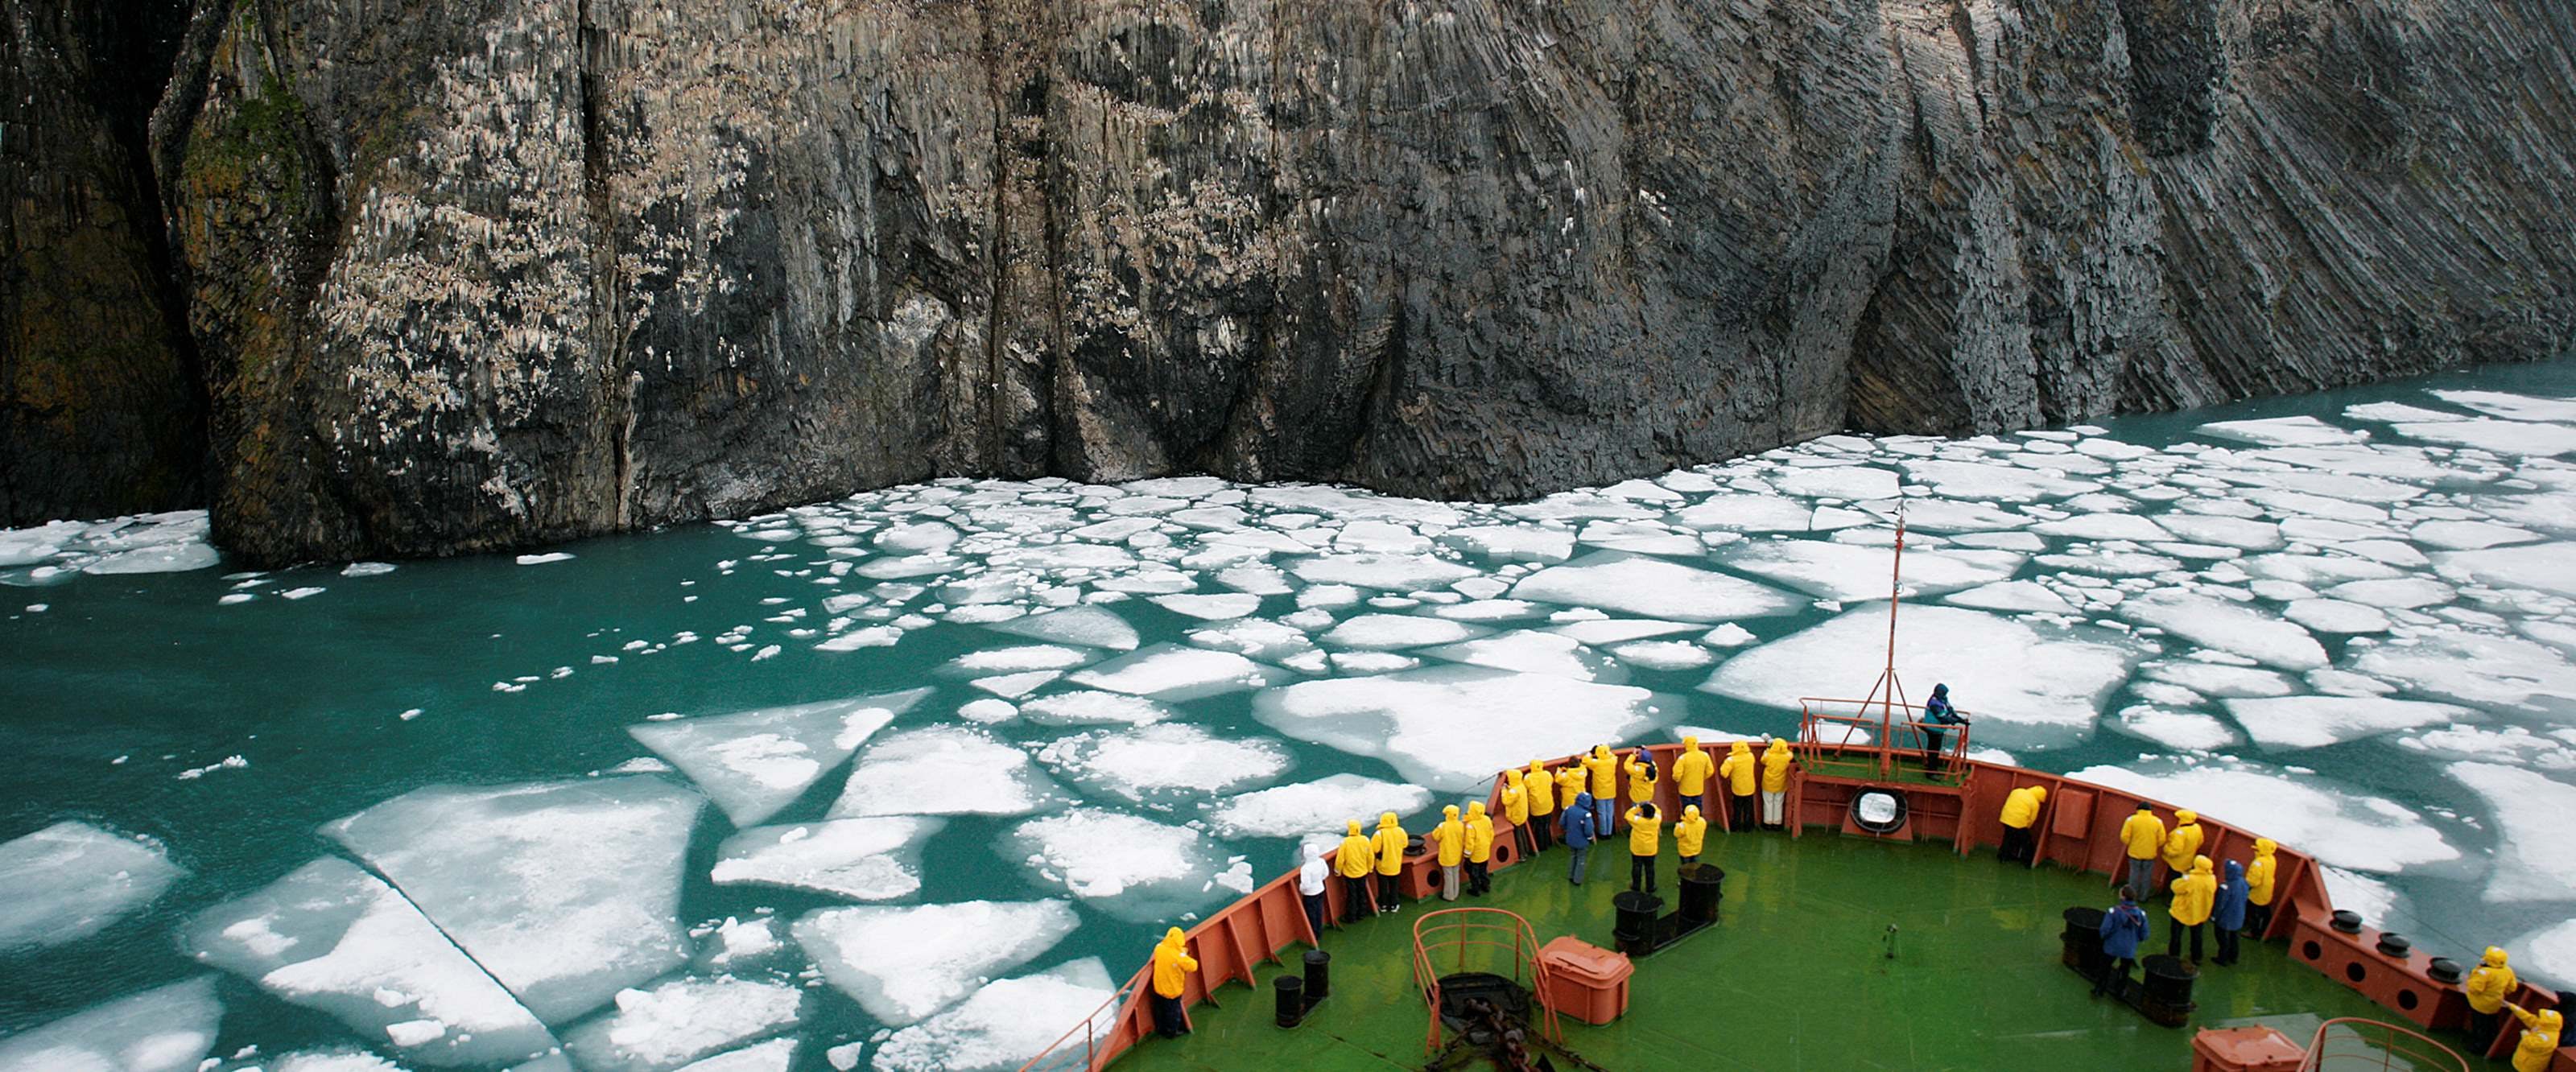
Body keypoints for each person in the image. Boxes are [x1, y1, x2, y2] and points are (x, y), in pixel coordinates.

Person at [2094, 892, 2150, 997]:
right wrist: (2136, 940)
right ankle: (2120, 990)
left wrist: (2104, 938)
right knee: (2125, 970)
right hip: (2129, 948)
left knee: (2105, 968)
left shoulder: (2113, 912)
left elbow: (2105, 929)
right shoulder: (2141, 914)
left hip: (2112, 946)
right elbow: (2145, 933)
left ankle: (2100, 988)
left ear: (2123, 897)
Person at [2466, 946, 2519, 1049]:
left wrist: (2476, 971)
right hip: (2495, 1004)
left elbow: (2475, 989)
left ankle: (2478, 1046)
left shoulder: (2484, 973)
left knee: (2479, 1025)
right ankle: (2491, 1044)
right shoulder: (2508, 970)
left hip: (2479, 1004)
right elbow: (2512, 988)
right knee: (2490, 1024)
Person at [1150, 926, 1198, 1037]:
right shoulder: (1179, 957)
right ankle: (1172, 1032)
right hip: (1172, 990)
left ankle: (1161, 1029)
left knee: (1160, 1010)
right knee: (1173, 1012)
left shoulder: (1159, 948)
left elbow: (1167, 950)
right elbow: (1193, 966)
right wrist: (1183, 952)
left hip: (1159, 987)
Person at [2167, 855, 2216, 963]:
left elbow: (2176, 888)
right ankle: (2197, 957)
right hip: (2200, 912)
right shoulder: (2212, 879)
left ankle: (2174, 954)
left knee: (2176, 934)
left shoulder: (2190, 879)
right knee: (2197, 935)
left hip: (2183, 910)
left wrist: (2183, 877)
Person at [2116, 805, 2165, 901]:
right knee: (2147, 875)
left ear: (2138, 810)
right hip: (2150, 854)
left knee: (2134, 874)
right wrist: (2153, 846)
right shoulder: (2158, 821)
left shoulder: (2131, 820)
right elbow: (2162, 839)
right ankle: (2143, 897)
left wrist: (2131, 844)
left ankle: (2131, 897)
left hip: (2135, 852)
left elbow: (2124, 837)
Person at [2504, 1003, 2565, 1072]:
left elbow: (2530, 1045)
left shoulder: (2548, 1038)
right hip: (2525, 1061)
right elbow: (2527, 1017)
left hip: (2530, 1066)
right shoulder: (2544, 1027)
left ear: (2546, 1023)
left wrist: (2526, 1033)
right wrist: (2512, 1007)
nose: (2539, 1018)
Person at [1335, 819, 1377, 922]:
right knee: (1362, 893)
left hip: (1350, 874)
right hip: (1363, 872)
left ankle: (1351, 917)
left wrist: (1338, 871)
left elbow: (1340, 859)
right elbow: (1370, 856)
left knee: (1352, 895)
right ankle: (1362, 913)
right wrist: (1370, 868)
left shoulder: (1345, 842)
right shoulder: (1365, 840)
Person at [1919, 683, 1966, 769]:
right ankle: (1931, 771)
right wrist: (1954, 721)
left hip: (1938, 729)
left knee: (1935, 750)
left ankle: (1932, 767)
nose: (1945, 695)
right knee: (1933, 750)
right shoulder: (1934, 703)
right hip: (1933, 729)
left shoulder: (1943, 699)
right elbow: (1942, 717)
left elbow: (1949, 710)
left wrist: (1959, 719)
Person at [2159, 809, 2206, 895]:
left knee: (2172, 880)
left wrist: (2166, 849)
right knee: (2180, 880)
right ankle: (2171, 897)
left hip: (2176, 862)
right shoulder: (2197, 828)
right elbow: (2200, 841)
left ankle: (2168, 898)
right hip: (2188, 860)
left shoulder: (2180, 833)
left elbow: (2175, 850)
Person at [2212, 859, 2248, 967]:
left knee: (2222, 937)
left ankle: (2222, 958)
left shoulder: (2226, 886)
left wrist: (2214, 916)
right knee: (2234, 937)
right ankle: (2233, 957)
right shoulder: (2243, 882)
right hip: (2239, 916)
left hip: (2226, 918)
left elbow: (2220, 904)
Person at [1997, 785, 2047, 864]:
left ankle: (2002, 856)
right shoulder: (2035, 803)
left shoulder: (2017, 791)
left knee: (2008, 837)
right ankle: (2027, 860)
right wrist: (2027, 827)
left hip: (2005, 818)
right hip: (2019, 823)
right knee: (2027, 842)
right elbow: (2032, 819)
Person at [1370, 811, 1408, 913]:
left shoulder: (1380, 834)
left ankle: (1383, 905)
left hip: (1383, 866)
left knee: (1383, 886)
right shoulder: (1400, 831)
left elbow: (1374, 849)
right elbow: (1405, 844)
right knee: (1394, 885)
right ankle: (1394, 904)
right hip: (1395, 864)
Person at [1623, 802, 1663, 893]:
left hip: (1637, 849)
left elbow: (1628, 814)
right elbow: (1658, 810)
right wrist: (1652, 805)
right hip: (1650, 850)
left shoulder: (1638, 821)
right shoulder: (1656, 820)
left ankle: (1636, 886)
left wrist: (1638, 807)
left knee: (1636, 868)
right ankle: (1650, 887)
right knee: (1650, 868)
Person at [1719, 740, 1757, 831]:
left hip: (1738, 788)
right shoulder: (1751, 756)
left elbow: (1724, 773)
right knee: (1748, 808)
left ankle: (1736, 826)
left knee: (1737, 808)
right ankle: (1748, 827)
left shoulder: (1731, 760)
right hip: (1750, 787)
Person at [2244, 838, 2278, 938]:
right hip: (2267, 889)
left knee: (2255, 912)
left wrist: (2246, 884)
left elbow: (2253, 881)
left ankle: (2254, 932)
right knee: (2263, 910)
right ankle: (2264, 928)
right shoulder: (2272, 859)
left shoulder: (2258, 863)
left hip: (2257, 892)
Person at [1672, 736, 1715, 817]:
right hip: (1699, 788)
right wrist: (1702, 778)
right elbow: (1710, 771)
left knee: (1686, 808)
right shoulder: (1705, 755)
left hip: (1685, 789)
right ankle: (1699, 823)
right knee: (1698, 807)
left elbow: (1677, 775)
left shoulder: (1683, 758)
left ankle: (1687, 824)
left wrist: (1678, 780)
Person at [1429, 805, 1464, 901]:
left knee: (1448, 875)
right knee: (1455, 873)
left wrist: (1438, 828)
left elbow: (1436, 836)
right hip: (1457, 853)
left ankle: (1449, 896)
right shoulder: (1460, 824)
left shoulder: (1443, 826)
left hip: (1447, 855)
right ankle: (1456, 893)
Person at [1563, 791, 1598, 884]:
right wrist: (1589, 837)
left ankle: (1571, 876)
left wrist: (1569, 829)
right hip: (1582, 841)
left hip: (1570, 839)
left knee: (1573, 856)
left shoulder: (1568, 809)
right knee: (1581, 859)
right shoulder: (1586, 814)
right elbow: (1589, 829)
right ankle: (1577, 880)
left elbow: (1562, 822)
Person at [1297, 844, 1331, 940]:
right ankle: (1319, 932)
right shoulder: (1321, 861)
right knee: (1319, 911)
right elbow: (1326, 874)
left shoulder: (1306, 868)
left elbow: (1306, 885)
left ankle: (1314, 934)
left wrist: (1301, 889)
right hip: (1320, 889)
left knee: (1311, 915)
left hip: (1310, 894)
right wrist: (1318, 881)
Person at [1759, 736, 1793, 830]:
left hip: (1768, 783)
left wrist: (1769, 749)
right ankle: (1777, 823)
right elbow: (1790, 754)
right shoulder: (1787, 757)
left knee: (1768, 802)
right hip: (1781, 783)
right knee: (1778, 803)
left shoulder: (1768, 756)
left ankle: (1768, 823)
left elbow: (1763, 760)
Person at [1523, 760, 1557, 852]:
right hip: (1548, 805)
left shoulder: (1528, 777)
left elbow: (1525, 787)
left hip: (1537, 807)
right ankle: (1549, 842)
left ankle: (1542, 846)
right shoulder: (1547, 774)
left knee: (1539, 827)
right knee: (1547, 824)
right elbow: (1551, 782)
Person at [1584, 745, 1620, 832]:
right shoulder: (1612, 761)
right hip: (1610, 791)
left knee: (1602, 813)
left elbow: (1585, 760)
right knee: (1610, 812)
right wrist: (1606, 752)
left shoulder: (1597, 763)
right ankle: (1609, 831)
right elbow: (1613, 756)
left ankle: (1603, 833)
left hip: (1600, 792)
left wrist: (1590, 753)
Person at [1464, 802, 1495, 896]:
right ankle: (1486, 886)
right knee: (1483, 870)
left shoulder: (1471, 825)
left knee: (1474, 873)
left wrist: (1467, 855)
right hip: (1485, 850)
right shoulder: (1487, 819)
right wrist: (1488, 844)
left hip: (1475, 854)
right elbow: (1491, 834)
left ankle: (1475, 889)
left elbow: (1470, 843)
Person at [1501, 770, 1534, 859]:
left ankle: (1522, 855)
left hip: (1516, 816)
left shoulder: (1514, 791)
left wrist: (1504, 790)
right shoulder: (1521, 786)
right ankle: (1526, 850)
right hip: (1523, 814)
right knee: (1522, 832)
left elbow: (1506, 801)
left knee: (1518, 835)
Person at [1556, 765, 1587, 844]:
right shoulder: (1583, 771)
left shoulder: (1566, 776)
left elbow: (1558, 779)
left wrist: (1559, 769)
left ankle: (1571, 838)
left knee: (1569, 822)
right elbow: (1584, 764)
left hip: (1569, 802)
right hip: (1582, 802)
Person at [1624, 748, 1658, 820]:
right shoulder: (1653, 769)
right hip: (1648, 796)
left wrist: (1633, 755)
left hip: (1637, 797)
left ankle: (1640, 828)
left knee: (1638, 816)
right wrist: (1645, 752)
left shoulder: (1638, 770)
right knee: (1648, 813)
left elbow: (1626, 765)